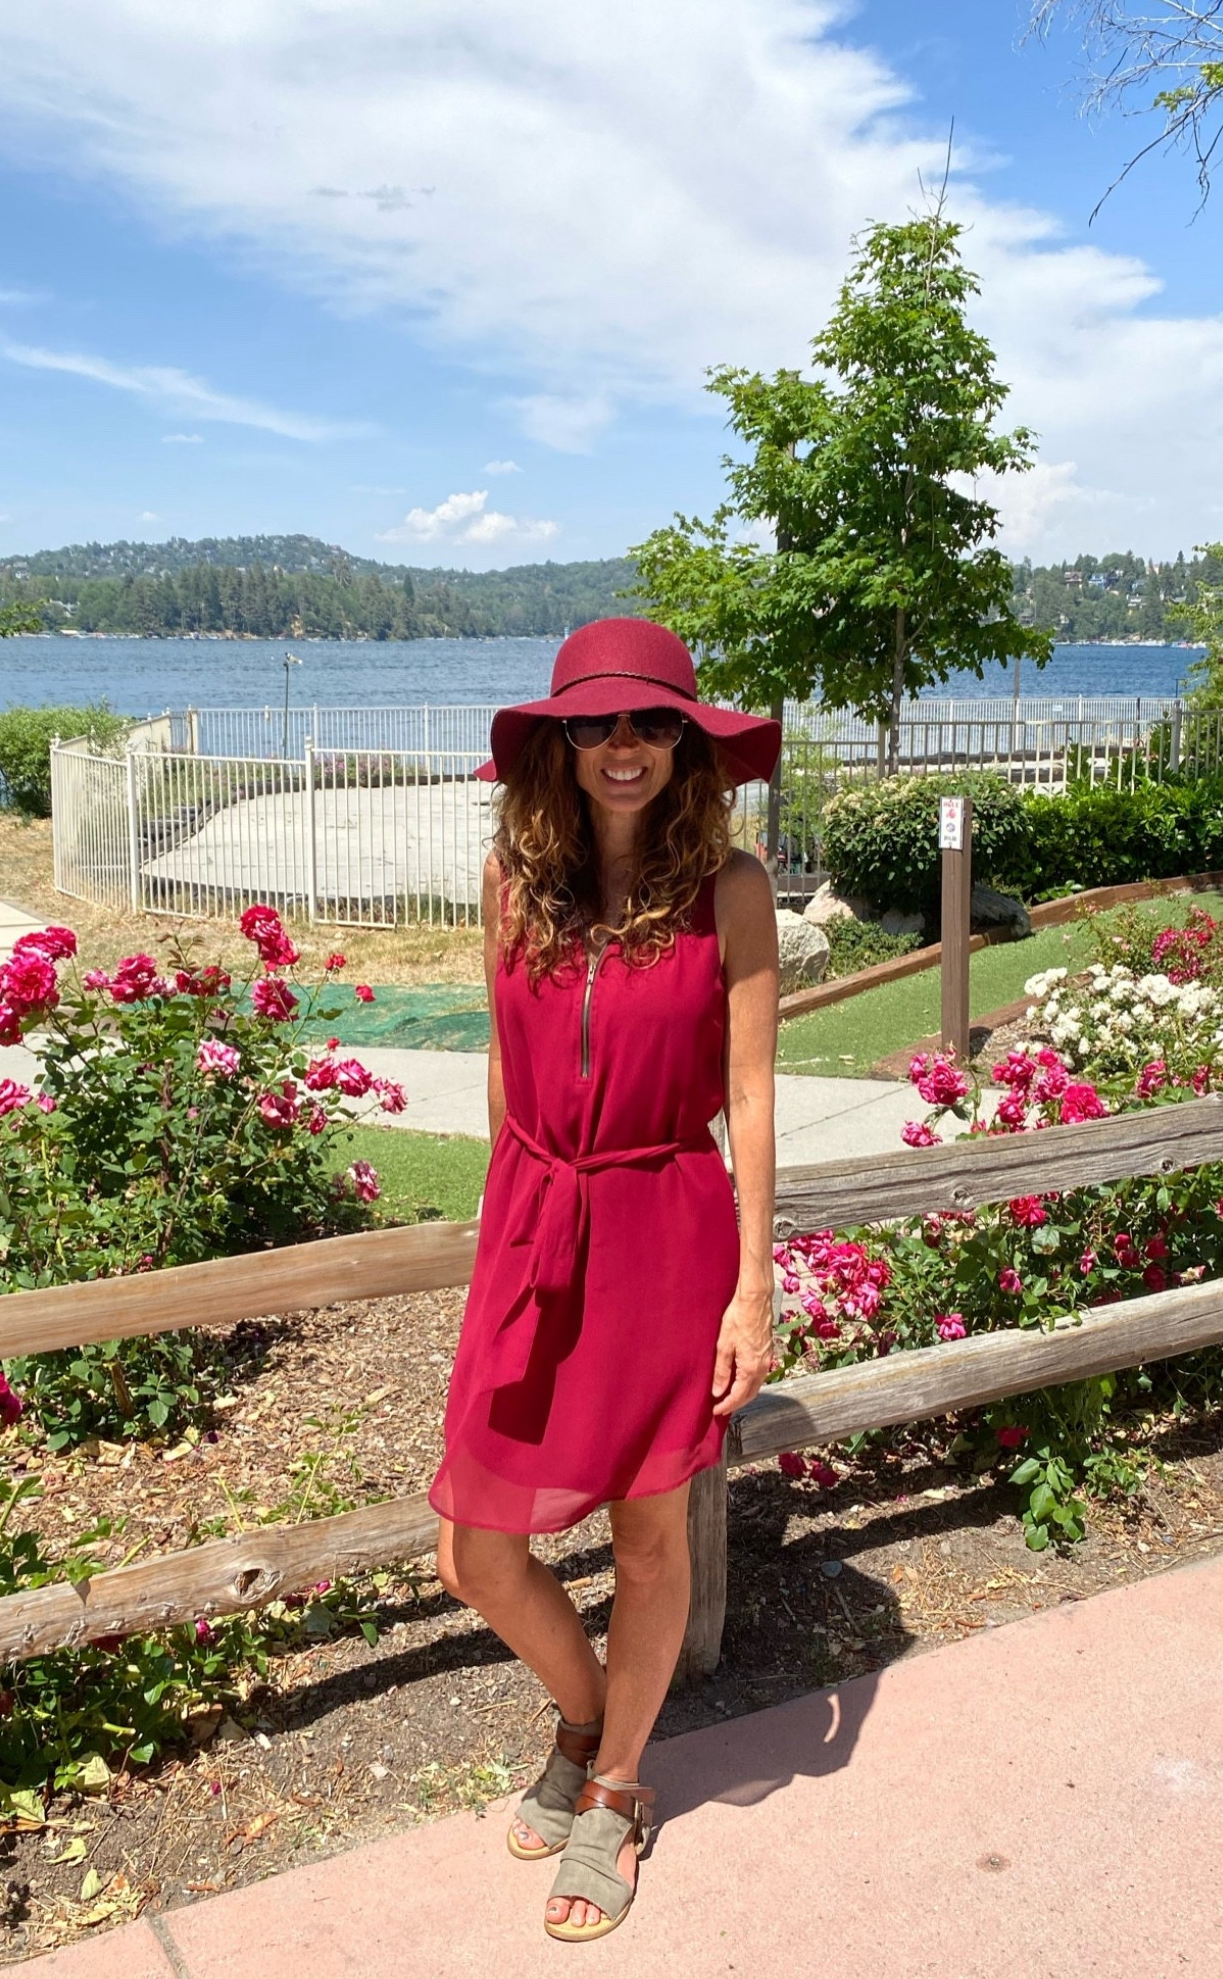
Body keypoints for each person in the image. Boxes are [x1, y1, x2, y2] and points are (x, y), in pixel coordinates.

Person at [429, 617, 781, 1943]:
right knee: (477, 1548)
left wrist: (752, 1290)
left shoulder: (730, 890)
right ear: (559, 745)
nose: (622, 748)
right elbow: (508, 1074)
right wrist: (507, 1237)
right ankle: (580, 1711)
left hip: (663, 1226)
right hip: (534, 1219)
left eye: (648, 724)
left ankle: (618, 1784)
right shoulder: (508, 882)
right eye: (596, 725)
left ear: (684, 742)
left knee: (648, 1532)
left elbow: (748, 1094)